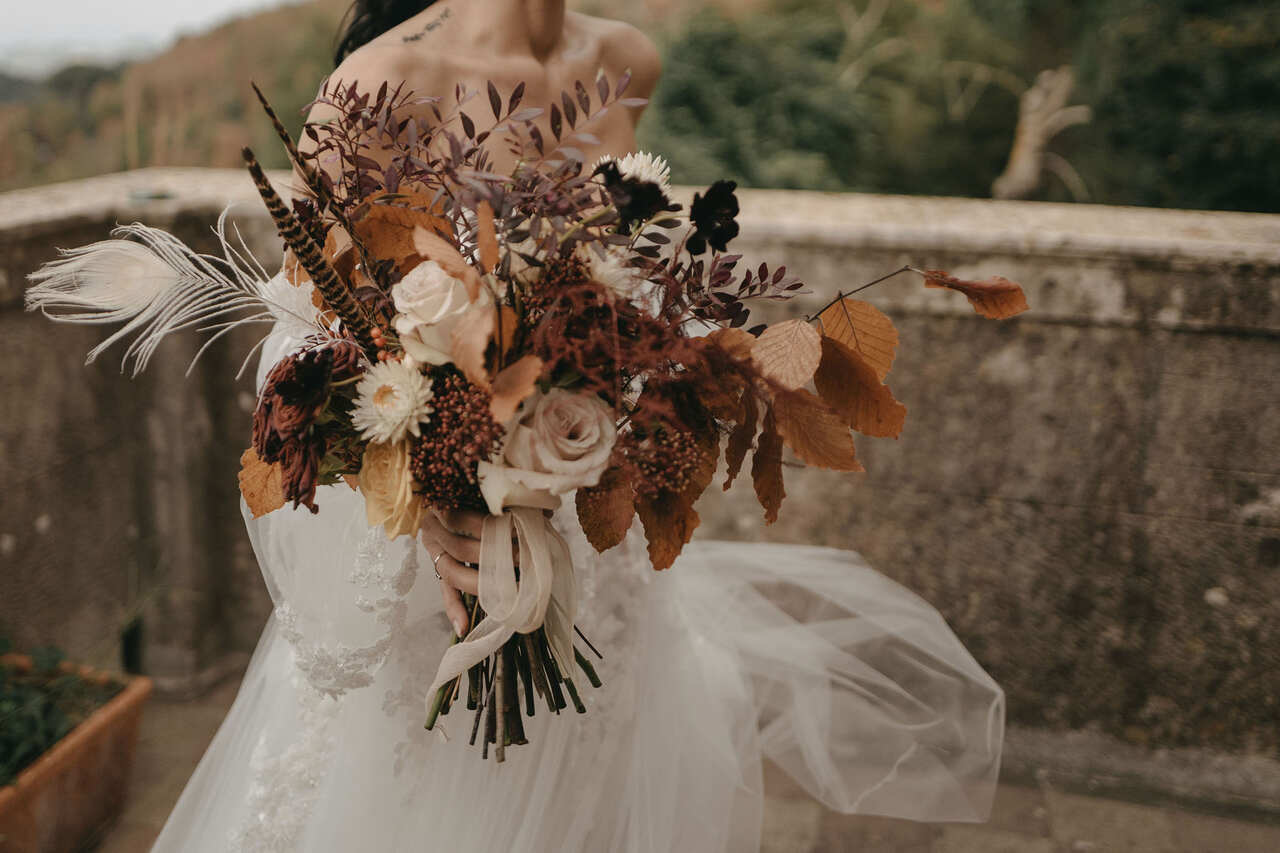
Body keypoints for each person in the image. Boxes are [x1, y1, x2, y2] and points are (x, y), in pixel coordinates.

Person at [151, 3, 1004, 850]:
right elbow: (299, 358)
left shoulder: (629, 58)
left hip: (603, 559)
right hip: (449, 579)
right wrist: (427, 504)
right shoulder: (376, 83)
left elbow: (624, 301)